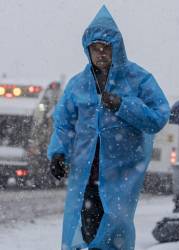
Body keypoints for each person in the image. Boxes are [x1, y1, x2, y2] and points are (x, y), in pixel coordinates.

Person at [48, 6, 170, 250]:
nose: (101, 53)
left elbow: (158, 116)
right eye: (95, 47)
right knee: (89, 233)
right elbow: (63, 122)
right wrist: (58, 153)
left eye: (106, 47)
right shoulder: (77, 85)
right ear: (88, 50)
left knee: (117, 234)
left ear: (117, 48)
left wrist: (122, 105)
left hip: (121, 176)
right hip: (86, 178)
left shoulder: (138, 79)